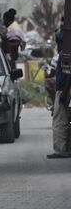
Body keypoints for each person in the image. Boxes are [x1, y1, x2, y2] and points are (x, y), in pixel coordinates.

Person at [48, 27, 71, 158]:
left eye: (58, 42)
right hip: (64, 90)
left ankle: (61, 150)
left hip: (63, 91)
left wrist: (63, 93)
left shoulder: (64, 55)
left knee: (59, 122)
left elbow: (69, 74)